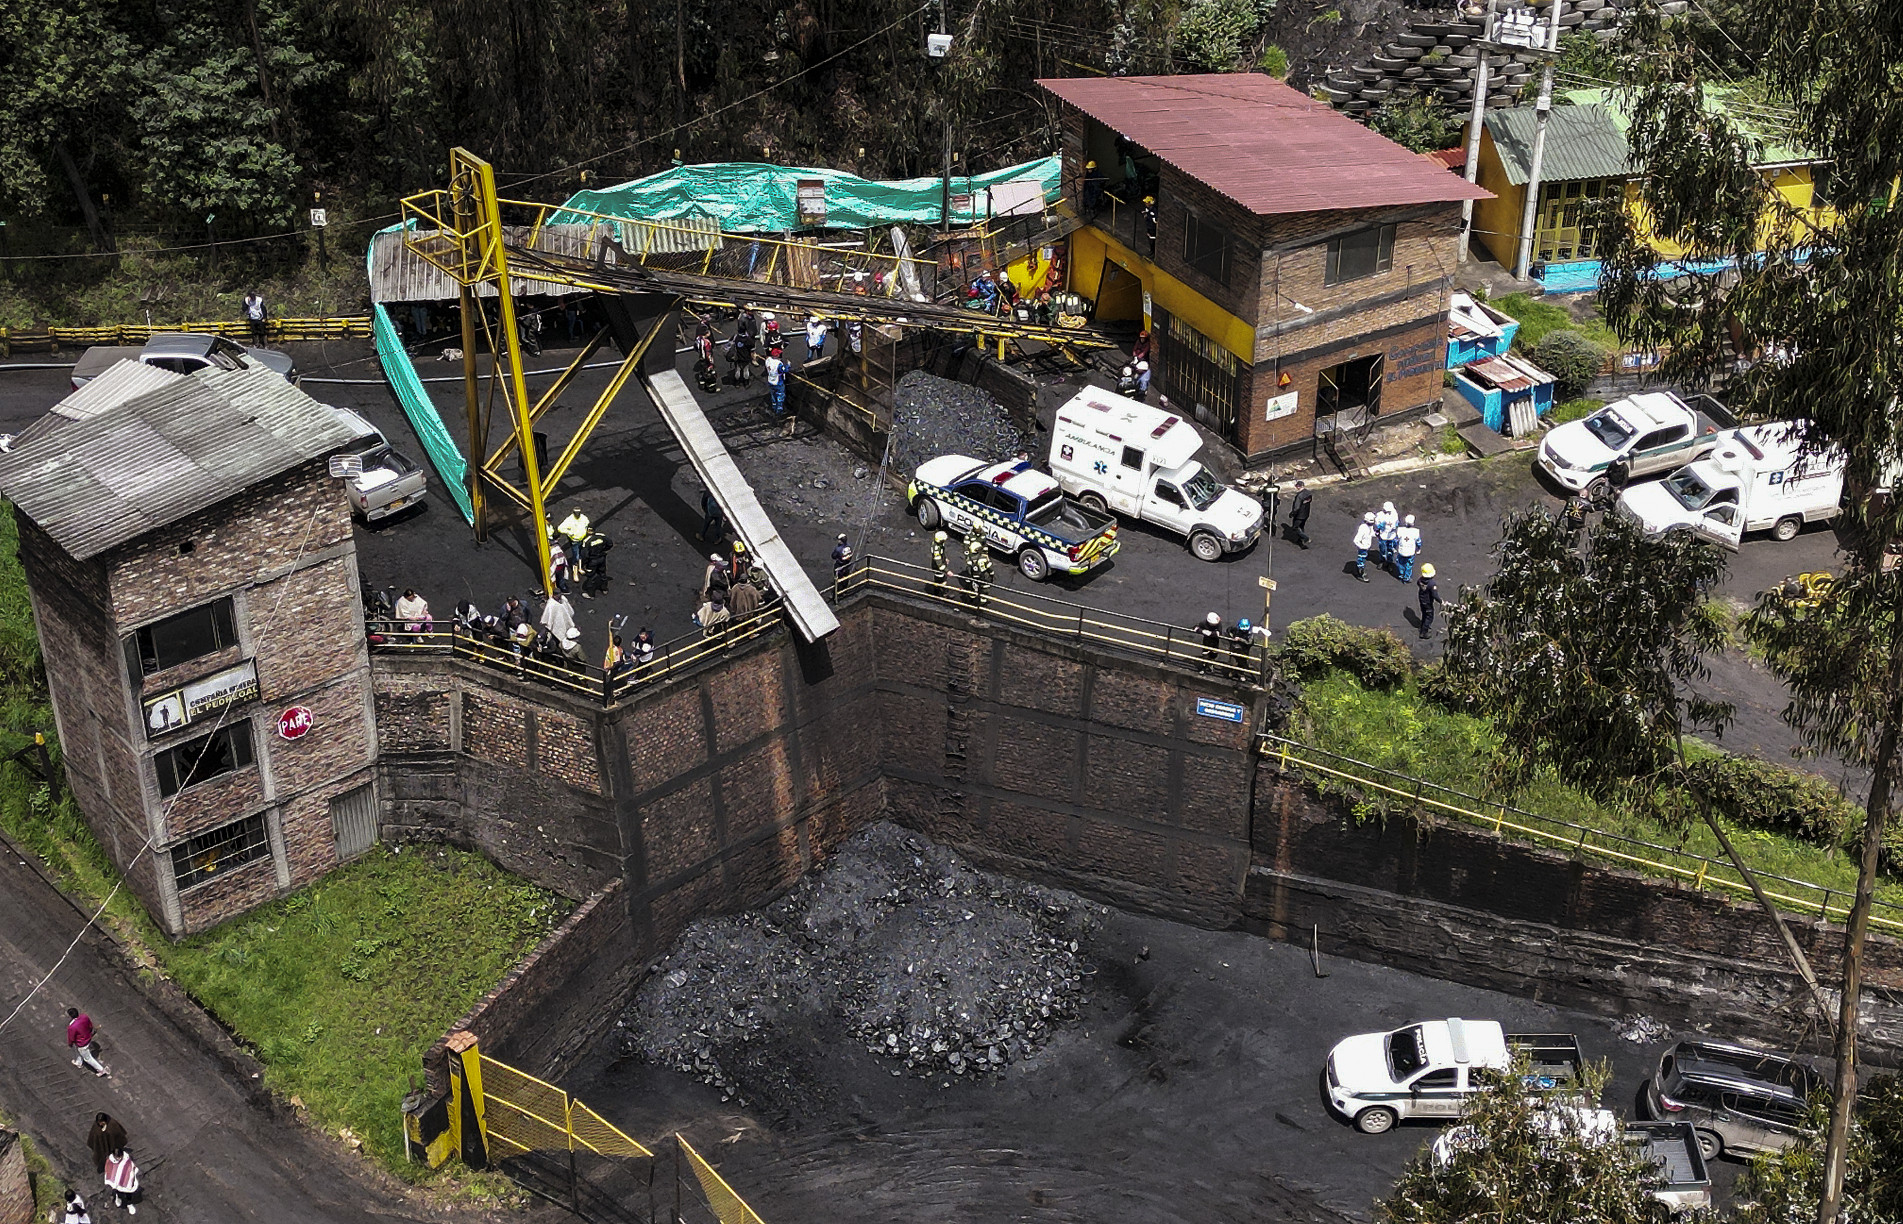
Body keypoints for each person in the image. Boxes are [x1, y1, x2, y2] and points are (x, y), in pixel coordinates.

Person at [66, 1007, 109, 1077]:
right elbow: (90, 1026)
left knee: (88, 1058)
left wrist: (70, 1043)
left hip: (82, 1044)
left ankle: (101, 1070)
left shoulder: (72, 1027)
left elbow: (71, 1038)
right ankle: (78, 1062)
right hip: (88, 1037)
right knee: (79, 1050)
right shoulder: (84, 1017)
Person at [103, 1144, 139, 1216]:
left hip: (127, 1183)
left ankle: (129, 1204)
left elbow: (131, 1168)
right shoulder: (109, 1161)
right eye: (117, 1157)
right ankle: (118, 1198)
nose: (119, 1159)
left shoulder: (127, 1159)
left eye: (120, 1157)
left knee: (129, 1194)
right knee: (119, 1192)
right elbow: (109, 1171)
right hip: (116, 1184)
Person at [962, 528, 991, 608]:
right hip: (982, 577)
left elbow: (985, 545)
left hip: (975, 576)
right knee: (982, 589)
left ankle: (972, 602)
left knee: (973, 588)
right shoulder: (981, 559)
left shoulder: (972, 560)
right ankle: (980, 605)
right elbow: (989, 569)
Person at [579, 531, 613, 598]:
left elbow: (584, 555)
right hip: (601, 558)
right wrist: (604, 550)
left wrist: (583, 565)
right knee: (602, 573)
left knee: (591, 577)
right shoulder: (601, 536)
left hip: (592, 561)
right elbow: (610, 543)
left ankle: (591, 594)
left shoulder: (587, 541)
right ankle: (604, 589)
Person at [1417, 564, 1445, 640]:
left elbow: (1418, 583)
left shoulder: (1420, 580)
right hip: (1428, 602)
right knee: (1429, 616)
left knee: (1424, 614)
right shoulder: (1432, 584)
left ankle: (1423, 624)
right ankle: (1424, 632)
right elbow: (1434, 595)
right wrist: (1441, 601)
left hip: (1421, 599)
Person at [764, 345, 789, 424]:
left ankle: (774, 407)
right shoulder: (778, 364)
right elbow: (784, 370)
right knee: (780, 395)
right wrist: (788, 365)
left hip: (770, 380)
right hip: (778, 381)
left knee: (773, 395)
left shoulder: (768, 360)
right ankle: (779, 411)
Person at [1395, 514, 1423, 582]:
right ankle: (1407, 577)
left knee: (1401, 563)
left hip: (1401, 551)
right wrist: (1418, 548)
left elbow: (1396, 540)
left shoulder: (1400, 530)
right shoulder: (1415, 531)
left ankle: (1401, 575)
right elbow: (1418, 542)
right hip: (1410, 552)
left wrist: (1394, 547)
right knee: (1409, 564)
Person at [1352, 511, 1376, 583]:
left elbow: (1371, 533)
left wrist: (1377, 534)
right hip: (1363, 548)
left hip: (1366, 547)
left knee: (1364, 558)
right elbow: (1356, 540)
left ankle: (1360, 569)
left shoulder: (1369, 526)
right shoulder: (1362, 528)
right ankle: (1360, 573)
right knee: (1361, 560)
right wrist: (1362, 547)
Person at [1287, 480, 1312, 549]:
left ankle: (1305, 538)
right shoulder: (1308, 493)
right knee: (1301, 527)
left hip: (1299, 515)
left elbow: (1296, 507)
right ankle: (1300, 541)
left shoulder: (1299, 496)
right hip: (1306, 513)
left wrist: (1292, 514)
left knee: (1295, 528)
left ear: (1298, 486)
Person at [1375, 501, 1400, 570]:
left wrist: (1395, 526)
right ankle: (1382, 561)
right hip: (1383, 535)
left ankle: (1389, 562)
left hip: (1392, 535)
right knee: (1382, 549)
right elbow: (1377, 525)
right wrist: (1381, 526)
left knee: (1390, 549)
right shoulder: (1379, 515)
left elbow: (1396, 522)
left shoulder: (1394, 513)